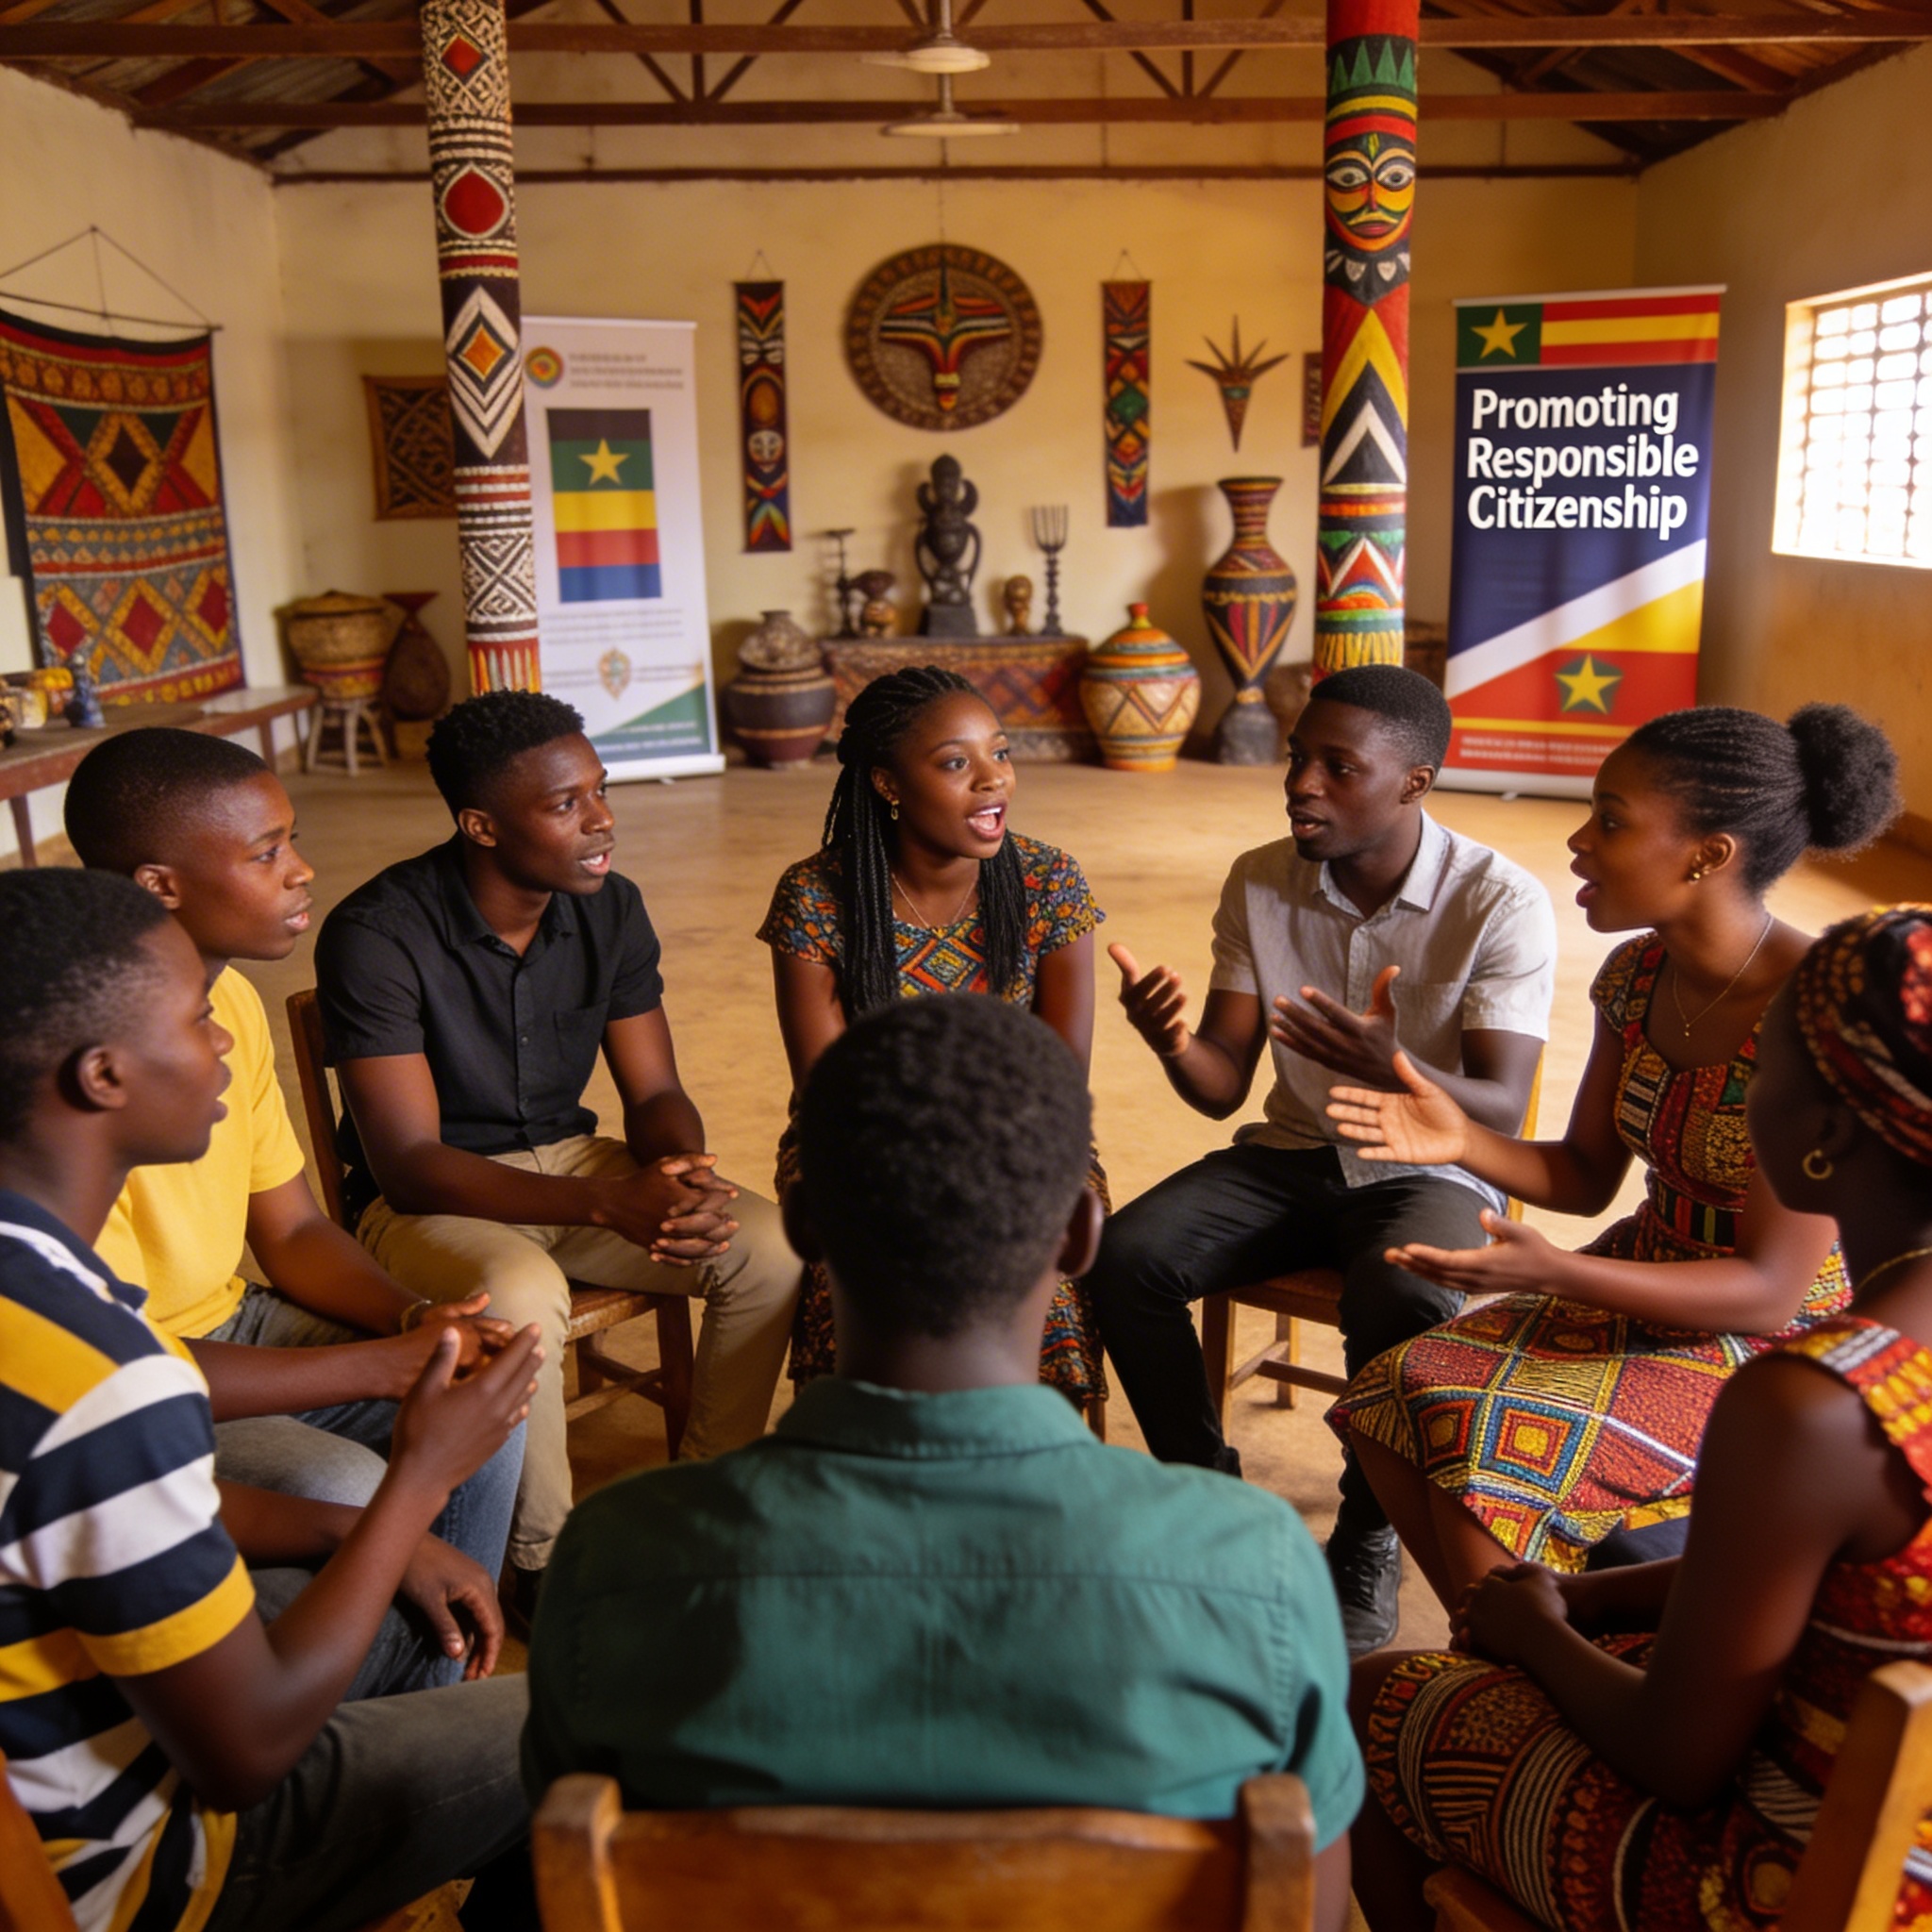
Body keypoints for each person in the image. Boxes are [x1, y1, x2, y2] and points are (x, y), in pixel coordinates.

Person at [523, 995, 1363, 1932]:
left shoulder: (615, 1555)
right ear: (1082, 1235)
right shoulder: (1253, 1564)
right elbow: (1309, 1909)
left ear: (802, 1227)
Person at [1350, 904, 1932, 1932]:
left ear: (1824, 1129)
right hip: (1909, 1842)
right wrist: (1582, 1600)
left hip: (1777, 1884)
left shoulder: (1812, 1399)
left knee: (1369, 1699)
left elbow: (1677, 1755)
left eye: (1773, 1068)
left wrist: (1537, 1633)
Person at [0, 866, 542, 1932]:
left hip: (53, 1756)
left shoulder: (42, 1288)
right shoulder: (107, 1369)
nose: (225, 1043)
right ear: (103, 1073)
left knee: (404, 1593)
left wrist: (359, 1529)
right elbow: (241, 1754)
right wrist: (417, 1481)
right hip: (144, 1862)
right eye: (198, 1019)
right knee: (615, 1721)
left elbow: (94, 1507)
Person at [1326, 704, 1900, 1611]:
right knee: (1391, 1395)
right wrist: (1462, 1139)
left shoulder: (1810, 1006)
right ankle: (1517, 1656)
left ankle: (1522, 1669)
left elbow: (1768, 1289)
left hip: (1772, 1334)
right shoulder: (1635, 977)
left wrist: (1552, 1273)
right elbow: (1588, 1177)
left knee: (1487, 1441)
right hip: (1647, 1266)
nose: (1578, 839)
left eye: (1612, 819)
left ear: (1708, 855)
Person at [1086, 664, 1555, 1653]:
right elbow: (1219, 1082)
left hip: (1425, 1167)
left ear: (1413, 782)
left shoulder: (1497, 901)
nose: (1300, 782)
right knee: (1122, 1256)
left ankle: (1363, 1533)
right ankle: (1207, 1497)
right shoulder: (1260, 875)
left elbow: (1502, 1105)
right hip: (1293, 1153)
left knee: (1406, 1296)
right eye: (1301, 757)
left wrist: (1392, 1064)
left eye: (1337, 766)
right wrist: (1169, 1038)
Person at [314, 691, 803, 1626]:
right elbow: (409, 1161)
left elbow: (653, 1092)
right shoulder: (377, 932)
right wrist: (608, 1203)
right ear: (480, 824)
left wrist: (677, 1169)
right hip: (430, 1198)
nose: (601, 818)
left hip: (575, 1159)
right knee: (518, 1294)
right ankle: (539, 1559)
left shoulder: (611, 906)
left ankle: (706, 1497)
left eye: (600, 790)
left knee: (768, 1244)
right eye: (565, 803)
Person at [66, 728, 521, 1665]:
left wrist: (414, 1317)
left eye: (292, 838)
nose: (302, 870)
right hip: (149, 1377)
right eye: (266, 851)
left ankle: (437, 1678)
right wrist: (384, 1364)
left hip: (237, 1325)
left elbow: (294, 1225)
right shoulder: (81, 1075)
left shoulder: (223, 1002)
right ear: (160, 885)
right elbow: (116, 1371)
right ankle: (358, 1743)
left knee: (479, 1392)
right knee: (340, 1477)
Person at [759, 664, 1106, 1404]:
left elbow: (1060, 1078)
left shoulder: (1049, 882)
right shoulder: (819, 898)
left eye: (1001, 754)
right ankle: (863, 1461)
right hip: (861, 1147)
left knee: (1049, 1289)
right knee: (863, 1267)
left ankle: (1041, 1480)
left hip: (1024, 1141)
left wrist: (987, 1164)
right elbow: (828, 1094)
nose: (993, 780)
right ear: (887, 783)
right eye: (956, 763)